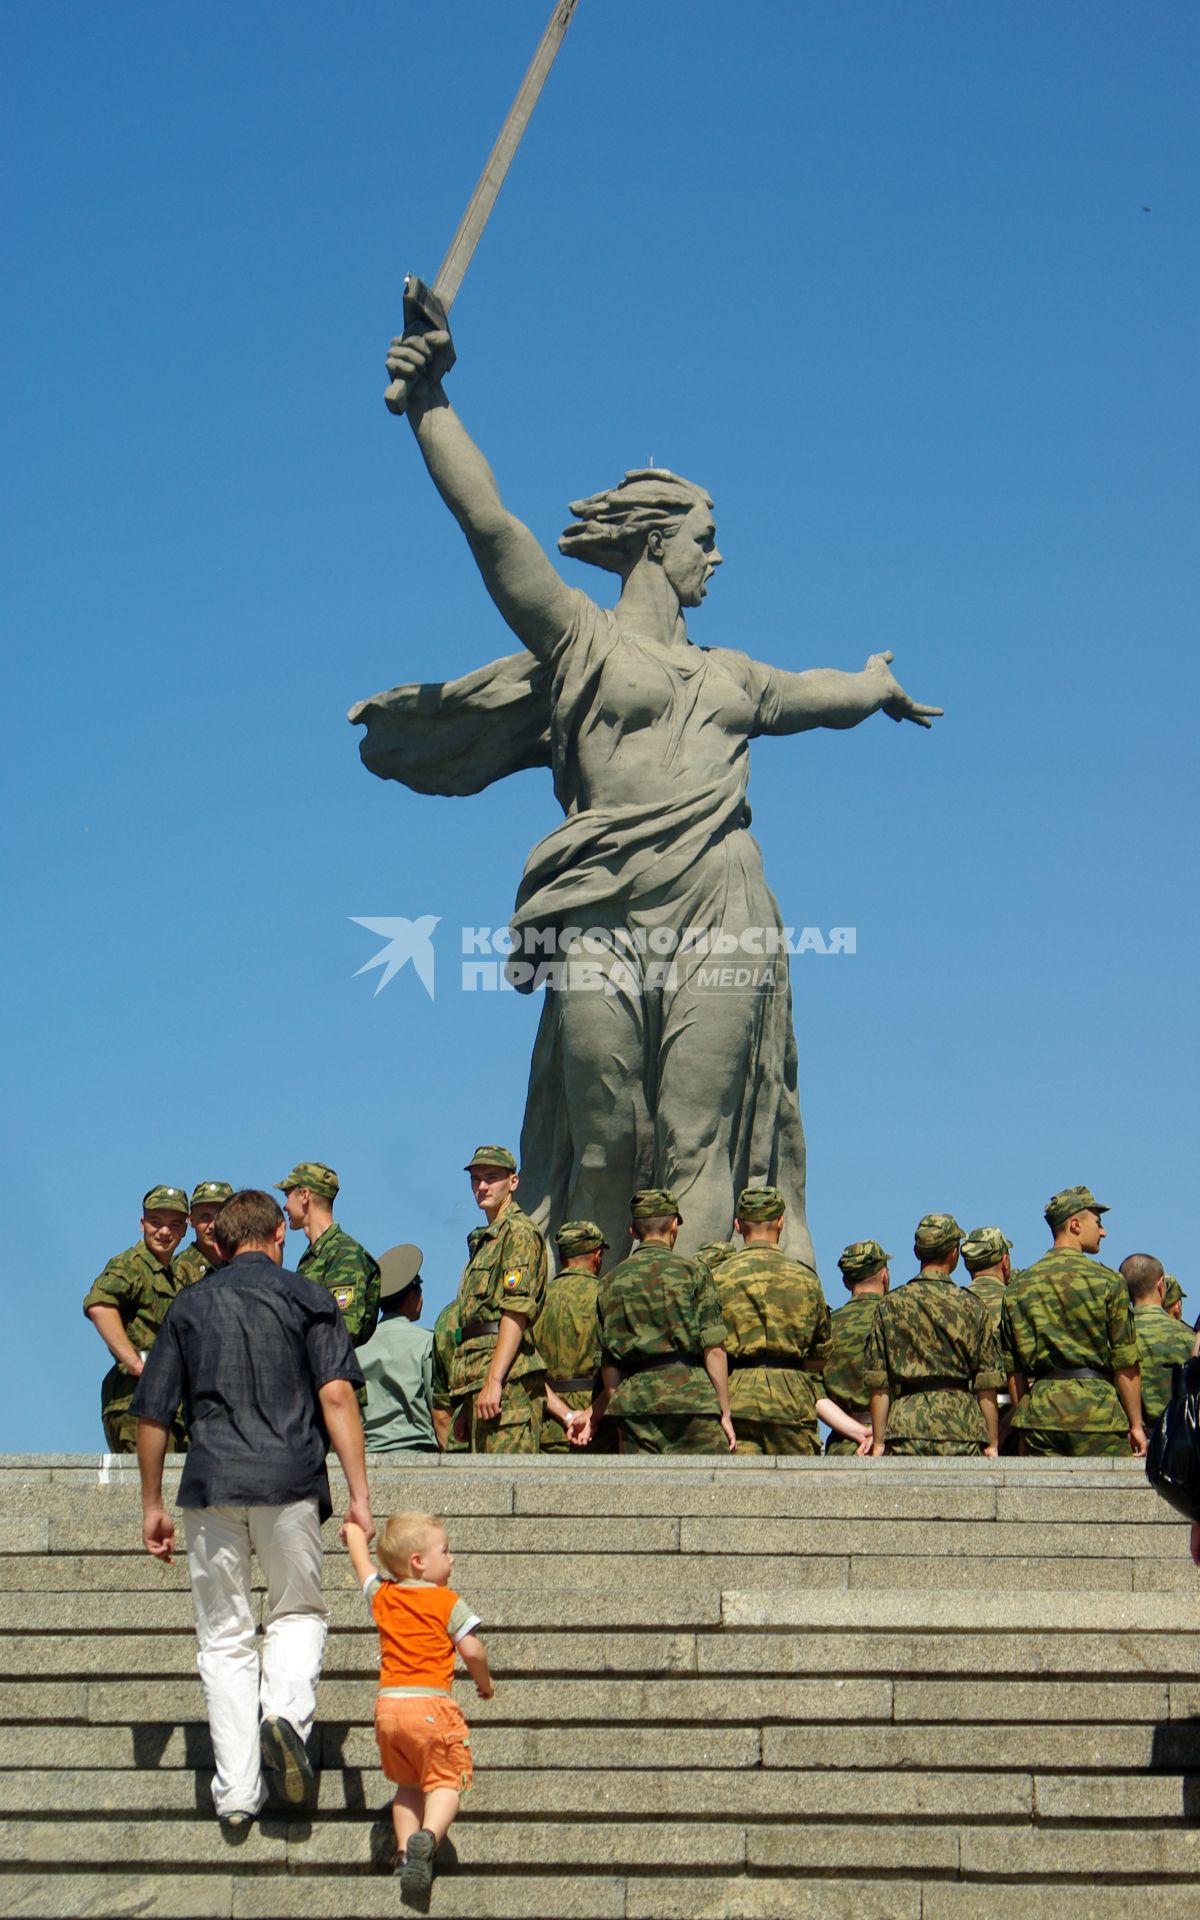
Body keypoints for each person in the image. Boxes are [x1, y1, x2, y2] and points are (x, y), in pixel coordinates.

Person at [351, 320, 941, 1262]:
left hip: (721, 893)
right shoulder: (582, 640)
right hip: (600, 898)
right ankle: (583, 1327)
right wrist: (430, 405)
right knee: (607, 1123)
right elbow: (492, 526)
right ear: (659, 542)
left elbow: (817, 695)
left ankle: (694, 1336)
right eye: (707, 539)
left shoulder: (737, 677)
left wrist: (875, 685)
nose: (718, 557)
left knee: (698, 1130)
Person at [132, 1189, 372, 1826]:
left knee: (225, 1637)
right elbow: (339, 1397)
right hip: (291, 1478)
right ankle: (285, 1718)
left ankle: (237, 1791)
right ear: (278, 1236)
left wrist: (152, 1502)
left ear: (217, 1240)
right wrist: (360, 1495)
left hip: (211, 1484)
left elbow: (153, 1412)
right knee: (296, 1611)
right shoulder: (309, 1297)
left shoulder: (188, 1304)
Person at [343, 1511, 493, 1898]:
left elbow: (362, 1562)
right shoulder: (447, 1602)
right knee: (445, 1782)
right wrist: (485, 1683)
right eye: (446, 1550)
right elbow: (472, 1649)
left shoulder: (383, 1595)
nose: (453, 1558)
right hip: (432, 1707)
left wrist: (354, 1531)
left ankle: (405, 1855)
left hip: (389, 1711)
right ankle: (429, 1835)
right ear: (419, 1562)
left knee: (407, 1786)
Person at [581, 1189, 735, 1455]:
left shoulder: (610, 1282)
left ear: (632, 1231)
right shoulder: (695, 1272)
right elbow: (714, 1349)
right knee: (709, 1492)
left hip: (637, 1405)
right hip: (694, 1401)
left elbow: (609, 1360)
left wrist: (621, 1404)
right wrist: (724, 1410)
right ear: (674, 1224)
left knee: (643, 1493)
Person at [715, 1186, 866, 1454]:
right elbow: (821, 1354)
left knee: (737, 1490)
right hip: (792, 1397)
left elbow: (710, 1346)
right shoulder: (805, 1278)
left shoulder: (718, 1277)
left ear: (738, 1225)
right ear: (781, 1222)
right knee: (796, 1488)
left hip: (737, 1395)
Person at [1001, 1186, 1146, 1457]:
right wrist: (1136, 1424)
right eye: (1098, 1223)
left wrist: (1024, 1424)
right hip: (1099, 1416)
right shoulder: (1109, 1282)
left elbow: (1015, 1369)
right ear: (1075, 1225)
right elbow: (1125, 1362)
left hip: (1041, 1418)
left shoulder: (1018, 1288)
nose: (1103, 1232)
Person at [864, 1214, 1002, 1457]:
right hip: (962, 1428)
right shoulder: (973, 1307)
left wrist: (879, 1441)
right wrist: (992, 1441)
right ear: (953, 1253)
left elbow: (879, 1383)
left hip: (906, 1427)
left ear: (918, 1252)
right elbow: (986, 1384)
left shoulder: (890, 1305)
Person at [450, 1146, 548, 1452]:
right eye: (476, 1179)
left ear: (513, 1182)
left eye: (491, 1178)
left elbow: (515, 1312)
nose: (481, 1186)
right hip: (479, 1380)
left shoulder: (517, 1232)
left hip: (506, 1383)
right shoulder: (488, 1237)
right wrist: (468, 1400)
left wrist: (494, 1381)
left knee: (509, 1485)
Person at [83, 1184, 192, 1452]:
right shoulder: (132, 1264)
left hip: (172, 1405)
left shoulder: (178, 1274)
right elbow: (99, 1305)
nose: (164, 1232)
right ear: (142, 1224)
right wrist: (134, 1362)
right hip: (136, 1403)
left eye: (174, 1224)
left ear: (184, 1229)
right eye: (156, 1222)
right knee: (147, 1489)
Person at [278, 1163, 382, 1395]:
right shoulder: (315, 1255)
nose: (284, 1205)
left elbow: (343, 1328)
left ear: (304, 1195)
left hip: (330, 1387)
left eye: (287, 1195)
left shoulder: (343, 1252)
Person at [538, 1220, 616, 1453]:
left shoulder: (536, 1302)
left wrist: (567, 1415)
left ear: (562, 1259)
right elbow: (620, 1367)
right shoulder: (608, 1297)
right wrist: (592, 1414)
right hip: (600, 1428)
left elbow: (526, 1371)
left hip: (549, 1426)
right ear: (597, 1255)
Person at [359, 1245, 438, 1455]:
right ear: (412, 1295)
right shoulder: (427, 1343)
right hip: (418, 1457)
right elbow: (439, 1409)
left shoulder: (358, 1348)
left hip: (367, 1459)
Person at [820, 1241, 891, 1455]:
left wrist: (856, 1430)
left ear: (845, 1282)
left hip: (844, 1443)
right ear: (885, 1276)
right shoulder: (899, 1321)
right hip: (893, 1443)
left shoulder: (828, 1326)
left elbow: (813, 1389)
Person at [1120, 1253, 1193, 1427]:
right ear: (1161, 1285)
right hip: (1177, 1440)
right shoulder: (1187, 1336)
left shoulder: (1115, 1336)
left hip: (1128, 1441)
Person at [961, 1224, 1017, 1448]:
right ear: (1005, 1261)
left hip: (966, 1419)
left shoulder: (955, 1304)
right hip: (1016, 1421)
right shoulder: (1018, 1301)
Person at [175, 1181, 234, 1284]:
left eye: (221, 1217)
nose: (213, 1226)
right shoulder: (177, 1271)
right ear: (191, 1220)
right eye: (205, 1217)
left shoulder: (242, 1266)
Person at [430, 1297, 465, 1452]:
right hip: (519, 1441)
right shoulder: (519, 1306)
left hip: (461, 1445)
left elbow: (442, 1415)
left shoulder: (447, 1318)